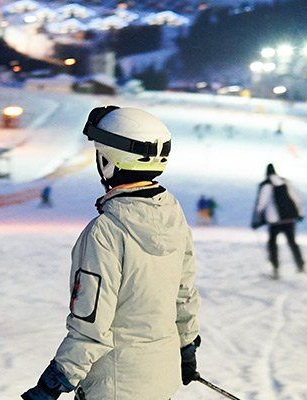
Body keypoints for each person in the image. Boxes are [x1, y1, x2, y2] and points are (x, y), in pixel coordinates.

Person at [22, 106, 202, 400]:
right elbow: (184, 292)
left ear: (108, 161)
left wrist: (53, 383)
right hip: (161, 381)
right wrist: (186, 346)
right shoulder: (172, 215)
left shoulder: (104, 232)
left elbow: (91, 325)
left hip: (116, 387)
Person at [252, 164, 305, 279]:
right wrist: (300, 213)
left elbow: (261, 204)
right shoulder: (285, 182)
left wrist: (256, 219)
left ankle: (275, 269)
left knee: (272, 244)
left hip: (274, 221)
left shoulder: (266, 185)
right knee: (292, 242)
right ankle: (300, 265)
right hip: (289, 219)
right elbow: (297, 198)